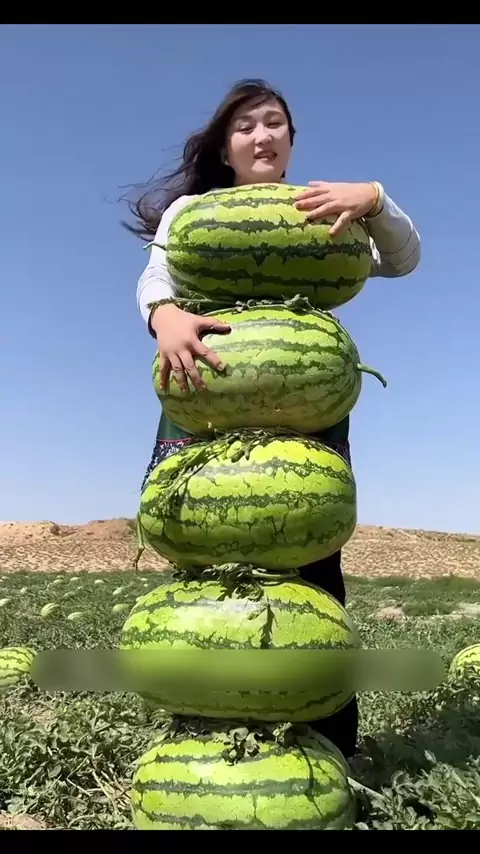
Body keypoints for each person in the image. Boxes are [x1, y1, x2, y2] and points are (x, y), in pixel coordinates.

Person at [125, 78, 421, 758]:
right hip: (207, 399)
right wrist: (163, 316)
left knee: (311, 571)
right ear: (224, 146)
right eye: (245, 126)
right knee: (203, 571)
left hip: (301, 410)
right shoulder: (193, 213)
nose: (261, 136)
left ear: (291, 138)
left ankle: (327, 743)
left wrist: (375, 199)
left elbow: (401, 260)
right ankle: (204, 727)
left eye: (274, 123)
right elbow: (156, 277)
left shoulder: (318, 210)